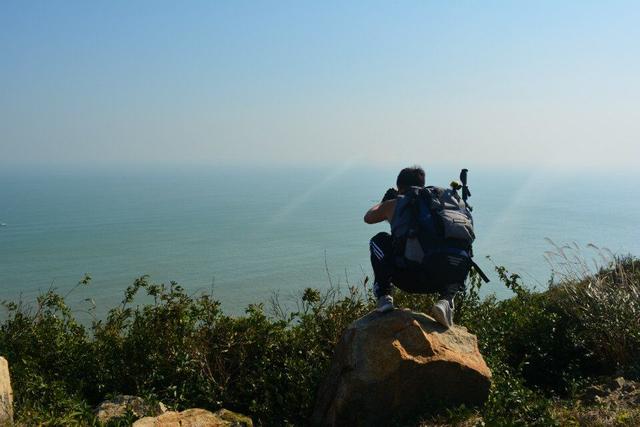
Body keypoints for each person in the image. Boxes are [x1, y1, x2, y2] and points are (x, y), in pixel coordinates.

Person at [364, 166, 463, 328]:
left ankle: (384, 297)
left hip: (410, 279)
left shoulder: (395, 204)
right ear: (422, 185)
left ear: (400, 187)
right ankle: (446, 301)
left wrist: (386, 202)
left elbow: (368, 218)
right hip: (442, 280)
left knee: (378, 240)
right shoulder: (442, 208)